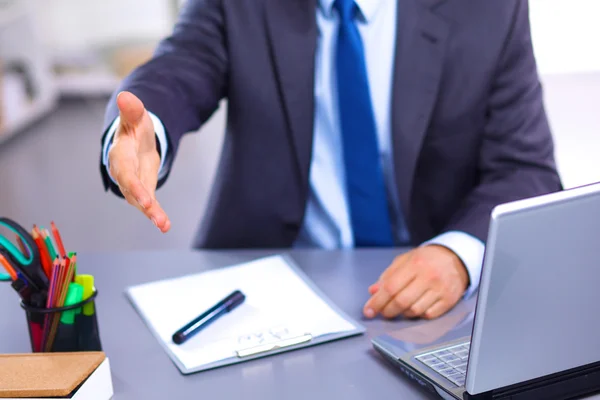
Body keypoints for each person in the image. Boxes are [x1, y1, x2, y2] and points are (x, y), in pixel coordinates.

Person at [99, 0, 562, 321]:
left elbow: (526, 170)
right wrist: (145, 127)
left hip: (431, 297)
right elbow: (180, 66)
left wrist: (458, 255)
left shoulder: (489, 10)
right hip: (265, 289)